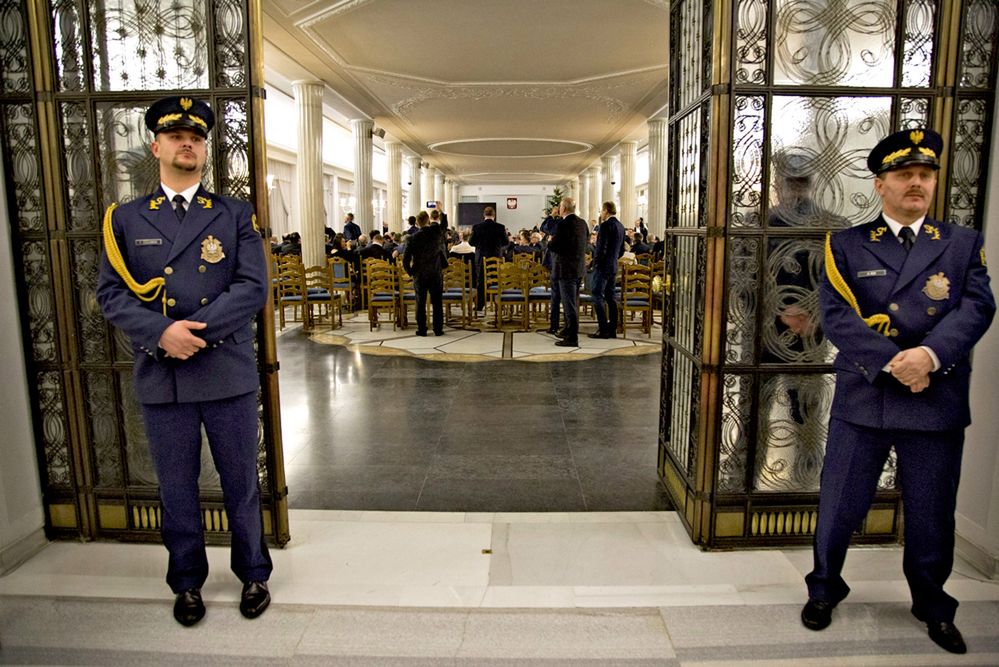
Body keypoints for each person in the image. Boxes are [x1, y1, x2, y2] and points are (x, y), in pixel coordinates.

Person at [801, 128, 995, 655]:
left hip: (935, 396)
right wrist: (895, 362)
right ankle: (824, 588)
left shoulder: (960, 244)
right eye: (904, 175)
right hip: (866, 394)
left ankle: (933, 603)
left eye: (925, 175)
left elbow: (977, 308)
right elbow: (838, 318)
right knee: (840, 503)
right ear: (880, 184)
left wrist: (928, 357)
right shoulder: (846, 243)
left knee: (933, 511)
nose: (917, 183)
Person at [95, 96, 273, 627]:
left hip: (224, 367)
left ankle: (253, 573)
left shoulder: (234, 214)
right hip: (163, 370)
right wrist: (162, 333)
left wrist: (193, 333)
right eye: (175, 137)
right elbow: (112, 295)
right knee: (176, 486)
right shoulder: (125, 219)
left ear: (205, 150)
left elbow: (252, 286)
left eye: (195, 137)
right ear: (157, 148)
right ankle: (187, 581)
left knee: (240, 480)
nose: (186, 144)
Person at [547, 197, 589, 347]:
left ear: (563, 209)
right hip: (578, 269)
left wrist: (549, 242)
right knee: (572, 302)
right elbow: (586, 242)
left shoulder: (563, 224)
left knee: (568, 304)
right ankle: (567, 329)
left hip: (565, 270)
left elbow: (555, 246)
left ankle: (572, 338)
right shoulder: (582, 223)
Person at [403, 210, 447, 336]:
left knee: (420, 302)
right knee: (437, 302)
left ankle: (422, 329)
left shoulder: (412, 238)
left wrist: (411, 272)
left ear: (417, 223)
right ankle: (438, 329)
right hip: (435, 273)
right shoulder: (436, 233)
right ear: (428, 220)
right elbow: (444, 225)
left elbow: (406, 259)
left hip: (420, 274)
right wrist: (441, 212)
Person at [589, 201, 625, 339]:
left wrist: (596, 264)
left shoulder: (605, 226)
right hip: (613, 266)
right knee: (610, 297)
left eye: (601, 211)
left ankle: (603, 329)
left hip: (603, 266)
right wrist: (613, 258)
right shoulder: (620, 226)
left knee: (596, 295)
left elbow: (600, 248)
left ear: (606, 211)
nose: (600, 214)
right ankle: (612, 329)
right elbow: (621, 250)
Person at [469, 206, 508, 311]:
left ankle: (480, 305)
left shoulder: (477, 227)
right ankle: (498, 304)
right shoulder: (500, 227)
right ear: (494, 216)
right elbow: (506, 242)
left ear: (484, 215)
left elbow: (471, 242)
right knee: (497, 280)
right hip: (496, 256)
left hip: (481, 256)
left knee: (480, 281)